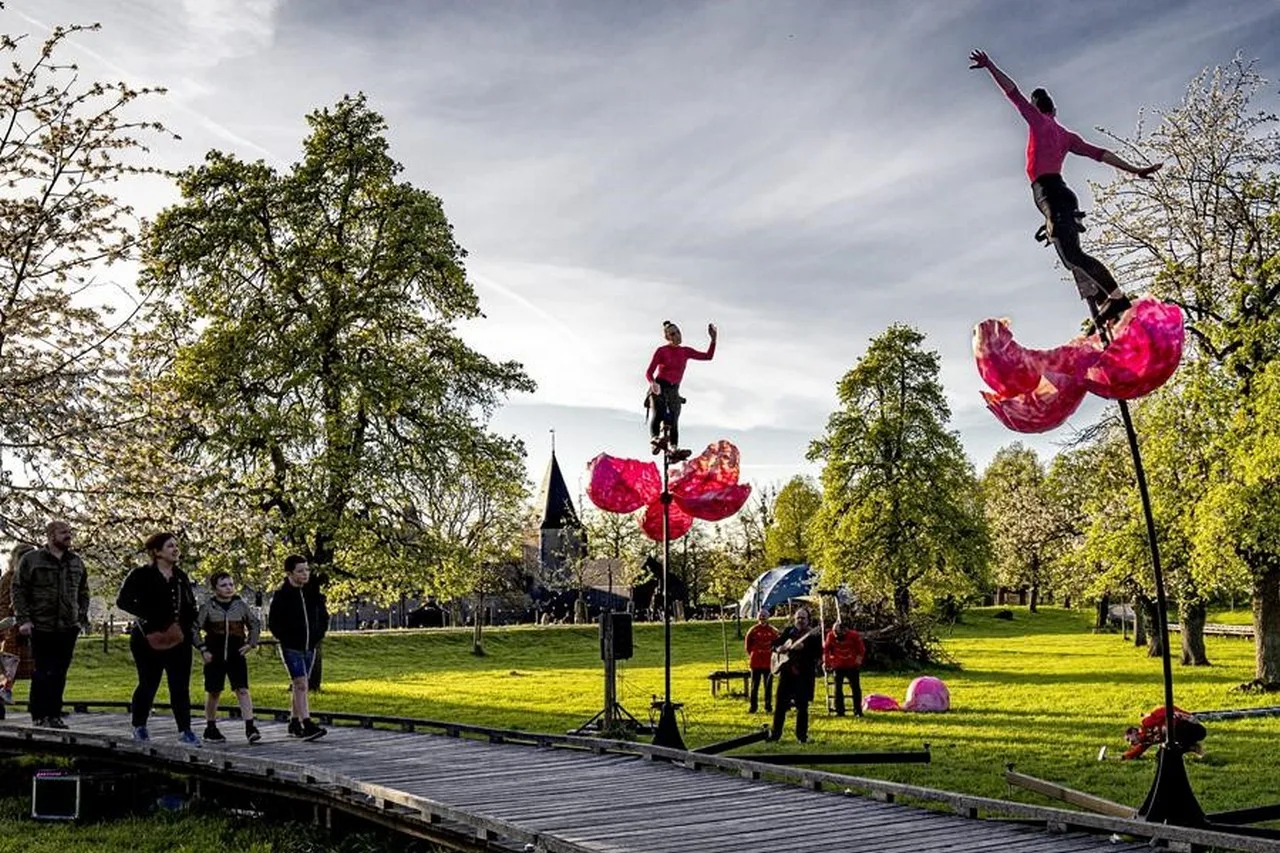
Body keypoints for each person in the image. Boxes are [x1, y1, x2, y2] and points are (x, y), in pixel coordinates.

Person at [969, 49, 1162, 326]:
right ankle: (1104, 305)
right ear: (1055, 110)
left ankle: (1117, 300)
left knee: (1073, 256)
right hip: (1061, 196)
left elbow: (1012, 93)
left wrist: (989, 66)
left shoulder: (1037, 121)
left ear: (1038, 110)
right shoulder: (1066, 135)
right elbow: (1101, 153)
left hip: (1050, 195)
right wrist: (1134, 170)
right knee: (1071, 256)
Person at [116, 532, 200, 744]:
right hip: (147, 638)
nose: (175, 549)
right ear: (157, 552)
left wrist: (185, 626)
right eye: (170, 546)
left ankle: (185, 729)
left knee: (180, 685)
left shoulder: (180, 576)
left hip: (178, 638)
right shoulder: (140, 575)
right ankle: (139, 725)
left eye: (176, 545)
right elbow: (123, 601)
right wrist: (151, 617)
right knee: (148, 682)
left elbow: (189, 605)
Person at [13, 521, 90, 728]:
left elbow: (84, 591)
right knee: (42, 671)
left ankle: (54, 714)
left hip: (67, 626)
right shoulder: (32, 560)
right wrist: (24, 619)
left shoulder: (75, 562)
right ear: (50, 535)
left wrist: (81, 617)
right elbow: (19, 589)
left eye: (70, 532)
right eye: (63, 532)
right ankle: (39, 714)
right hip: (40, 624)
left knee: (60, 672)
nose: (68, 536)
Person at [195, 571, 262, 744]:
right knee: (214, 691)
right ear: (215, 588)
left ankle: (250, 726)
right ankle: (210, 727)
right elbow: (194, 628)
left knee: (242, 689)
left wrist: (251, 643)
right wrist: (203, 649)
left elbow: (254, 623)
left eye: (231, 584)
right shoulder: (208, 607)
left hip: (236, 654)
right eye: (224, 585)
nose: (229, 588)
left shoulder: (240, 606)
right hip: (214, 655)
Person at [267, 555, 328, 742]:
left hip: (310, 645)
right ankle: (307, 723)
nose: (305, 574)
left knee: (300, 685)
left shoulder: (312, 594)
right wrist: (286, 637)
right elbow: (274, 623)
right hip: (292, 646)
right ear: (290, 573)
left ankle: (294, 721)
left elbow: (323, 616)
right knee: (301, 683)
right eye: (300, 571)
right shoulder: (282, 596)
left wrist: (318, 634)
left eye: (307, 570)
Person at [645, 320, 717, 460]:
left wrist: (713, 340)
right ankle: (655, 440)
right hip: (659, 386)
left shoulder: (685, 351)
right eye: (672, 334)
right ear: (667, 337)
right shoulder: (662, 351)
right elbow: (649, 372)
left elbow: (708, 356)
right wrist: (653, 383)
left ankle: (674, 450)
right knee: (658, 411)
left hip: (674, 390)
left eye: (678, 332)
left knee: (674, 419)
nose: (677, 335)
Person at [769, 607, 822, 743]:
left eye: (803, 618)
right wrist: (778, 648)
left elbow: (818, 654)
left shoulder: (814, 635)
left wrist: (804, 649)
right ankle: (775, 735)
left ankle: (801, 736)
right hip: (786, 674)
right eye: (798, 617)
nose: (800, 620)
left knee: (802, 707)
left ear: (808, 619)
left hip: (803, 675)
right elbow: (775, 644)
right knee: (780, 705)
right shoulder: (789, 631)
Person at [0, 543, 37, 706]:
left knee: (35, 666)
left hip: (29, 625)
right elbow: (3, 603)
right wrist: (6, 624)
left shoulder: (31, 578)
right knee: (10, 663)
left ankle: (42, 703)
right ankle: (4, 690)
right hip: (12, 627)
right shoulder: (9, 578)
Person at [1122, 705, 1206, 760]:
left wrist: (1185, 716)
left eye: (1129, 739)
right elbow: (1137, 751)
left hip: (1186, 726)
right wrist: (1124, 757)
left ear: (1133, 731)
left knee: (1176, 732)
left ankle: (1192, 746)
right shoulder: (1146, 740)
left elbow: (1165, 710)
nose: (1130, 743)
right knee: (1161, 756)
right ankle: (1191, 747)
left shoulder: (1146, 723)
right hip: (1177, 735)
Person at [823, 621, 866, 717]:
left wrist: (858, 661)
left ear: (845, 630)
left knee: (856, 688)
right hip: (838, 666)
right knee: (837, 688)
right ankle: (840, 711)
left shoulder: (854, 635)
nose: (838, 637)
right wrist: (827, 663)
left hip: (852, 665)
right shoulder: (830, 636)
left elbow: (861, 649)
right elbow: (826, 650)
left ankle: (858, 711)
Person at [743, 608, 779, 714]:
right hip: (756, 662)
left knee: (768, 686)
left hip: (768, 662)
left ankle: (768, 706)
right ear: (758, 617)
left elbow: (777, 643)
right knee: (754, 685)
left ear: (768, 617)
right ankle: (753, 707)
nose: (762, 617)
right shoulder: (753, 630)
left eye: (764, 616)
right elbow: (747, 645)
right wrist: (753, 653)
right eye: (760, 616)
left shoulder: (773, 631)